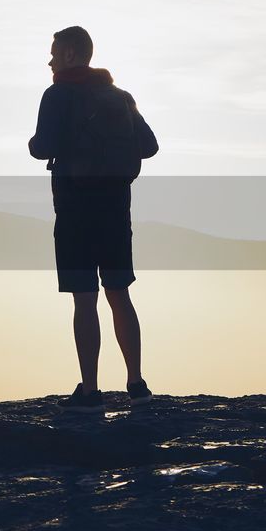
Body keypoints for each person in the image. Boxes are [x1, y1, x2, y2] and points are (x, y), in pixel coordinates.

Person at [28, 26, 159, 412]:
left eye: (54, 53)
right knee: (119, 294)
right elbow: (149, 146)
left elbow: (42, 148)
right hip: (116, 209)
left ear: (70, 54)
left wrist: (39, 144)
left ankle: (90, 390)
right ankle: (136, 384)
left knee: (85, 300)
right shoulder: (120, 96)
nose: (49, 60)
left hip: (73, 210)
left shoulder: (56, 95)